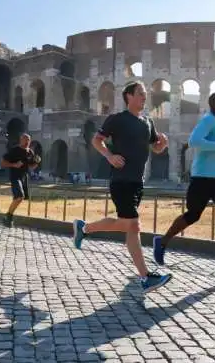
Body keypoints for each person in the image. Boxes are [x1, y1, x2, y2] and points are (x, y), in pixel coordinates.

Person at [71, 81, 172, 293]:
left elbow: (155, 149)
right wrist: (109, 156)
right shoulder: (117, 119)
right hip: (121, 180)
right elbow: (97, 141)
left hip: (137, 182)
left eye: (145, 95)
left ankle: (84, 228)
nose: (144, 98)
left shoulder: (148, 122)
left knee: (131, 228)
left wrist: (162, 144)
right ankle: (145, 277)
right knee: (132, 225)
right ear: (129, 96)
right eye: (141, 94)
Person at [152, 92, 215, 279]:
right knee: (192, 216)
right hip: (203, 178)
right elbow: (194, 141)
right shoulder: (208, 120)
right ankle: (162, 242)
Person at [0, 133, 40, 227]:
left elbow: (31, 166)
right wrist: (14, 165)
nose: (27, 142)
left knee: (19, 198)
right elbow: (3, 163)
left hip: (24, 177)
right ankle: (8, 216)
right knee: (19, 196)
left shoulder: (30, 152)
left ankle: (7, 217)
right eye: (25, 140)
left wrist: (37, 162)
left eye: (28, 140)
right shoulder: (14, 150)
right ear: (20, 140)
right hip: (15, 176)